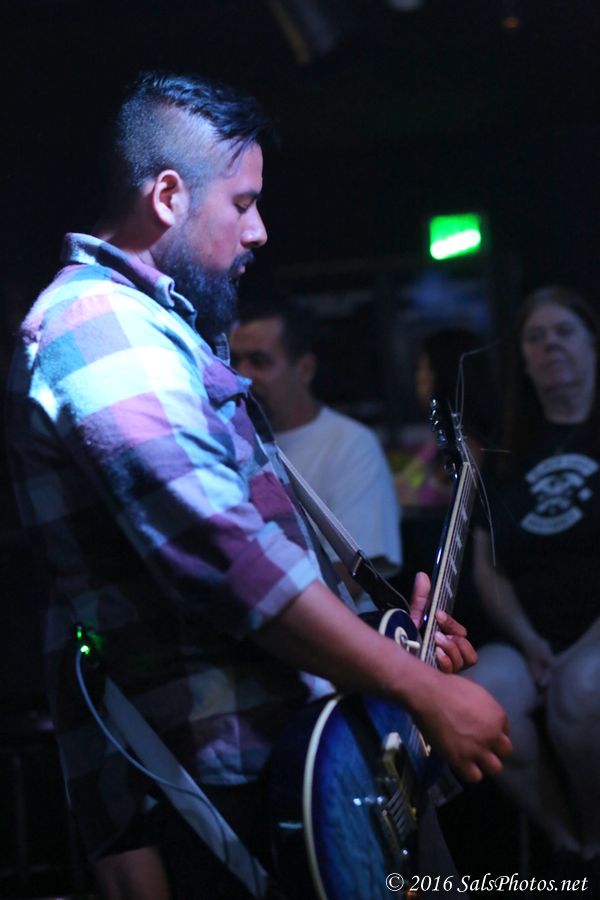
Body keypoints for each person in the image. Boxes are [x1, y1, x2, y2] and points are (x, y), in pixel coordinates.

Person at [6, 71, 511, 899]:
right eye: (242, 203)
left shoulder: (164, 334)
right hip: (228, 790)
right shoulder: (97, 329)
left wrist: (380, 635)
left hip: (287, 762)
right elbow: (227, 557)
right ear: (168, 196)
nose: (260, 230)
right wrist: (421, 688)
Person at [465, 285, 600, 865]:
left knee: (582, 690)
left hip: (594, 636)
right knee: (480, 699)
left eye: (564, 332)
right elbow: (486, 565)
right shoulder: (506, 449)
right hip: (528, 637)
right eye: (536, 338)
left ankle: (596, 840)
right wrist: (529, 642)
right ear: (522, 357)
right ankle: (565, 839)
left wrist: (581, 648)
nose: (551, 346)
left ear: (592, 343)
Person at [229, 299, 402, 601]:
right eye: (234, 360)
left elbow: (356, 575)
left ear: (305, 369)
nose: (241, 374)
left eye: (259, 361)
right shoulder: (232, 440)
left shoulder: (350, 443)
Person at [396, 327, 497, 508]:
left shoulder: (469, 451)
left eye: (423, 369)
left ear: (443, 376)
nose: (418, 379)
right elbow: (406, 483)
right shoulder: (438, 444)